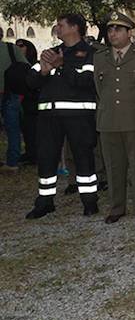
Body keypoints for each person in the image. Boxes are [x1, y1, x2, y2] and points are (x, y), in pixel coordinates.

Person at [25, 13, 100, 218]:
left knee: (83, 158)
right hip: (49, 118)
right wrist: (42, 72)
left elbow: (87, 82)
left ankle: (90, 202)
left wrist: (62, 66)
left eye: (60, 25)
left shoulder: (90, 53)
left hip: (79, 118)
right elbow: (30, 82)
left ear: (75, 27)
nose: (57, 28)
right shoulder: (50, 53)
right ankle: (45, 202)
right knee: (46, 158)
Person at [93, 12, 135, 223]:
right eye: (110, 29)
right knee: (113, 166)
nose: (113, 34)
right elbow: (99, 88)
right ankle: (116, 207)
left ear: (129, 32)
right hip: (109, 120)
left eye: (118, 29)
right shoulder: (100, 57)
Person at [0, 37, 29, 170]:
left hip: (11, 93)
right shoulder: (11, 48)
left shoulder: (12, 48)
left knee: (12, 129)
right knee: (13, 129)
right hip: (12, 93)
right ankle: (12, 162)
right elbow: (26, 67)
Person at [15, 39, 40, 165]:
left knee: (33, 129)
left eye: (21, 46)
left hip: (33, 102)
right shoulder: (17, 63)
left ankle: (35, 155)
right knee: (26, 129)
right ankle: (30, 153)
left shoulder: (34, 65)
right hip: (21, 102)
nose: (18, 48)